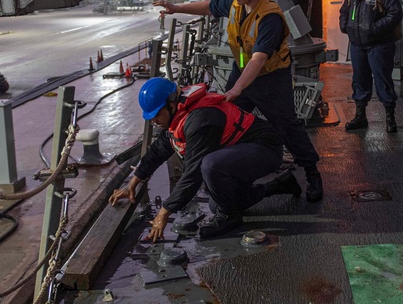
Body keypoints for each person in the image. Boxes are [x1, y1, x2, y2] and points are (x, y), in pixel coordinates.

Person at [154, 0, 324, 202]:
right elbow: (209, 7)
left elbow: (258, 60)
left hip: (270, 79)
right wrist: (176, 8)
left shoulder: (270, 17)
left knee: (288, 126)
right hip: (240, 72)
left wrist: (236, 89)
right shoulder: (235, 3)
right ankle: (226, 174)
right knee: (223, 119)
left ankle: (312, 174)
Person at [110, 78, 299, 240]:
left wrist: (164, 212)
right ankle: (278, 185)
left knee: (210, 166)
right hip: (241, 152)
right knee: (217, 202)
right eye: (150, 118)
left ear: (172, 104)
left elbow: (193, 173)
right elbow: (157, 151)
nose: (154, 121)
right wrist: (132, 184)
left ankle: (230, 217)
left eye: (157, 115)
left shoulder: (200, 119)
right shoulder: (178, 117)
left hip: (265, 149)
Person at [338, 0, 403, 133]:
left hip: (379, 45)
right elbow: (344, 12)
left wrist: (374, 29)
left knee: (383, 80)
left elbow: (395, 14)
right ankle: (360, 116)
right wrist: (346, 27)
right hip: (358, 46)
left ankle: (390, 118)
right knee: (360, 80)